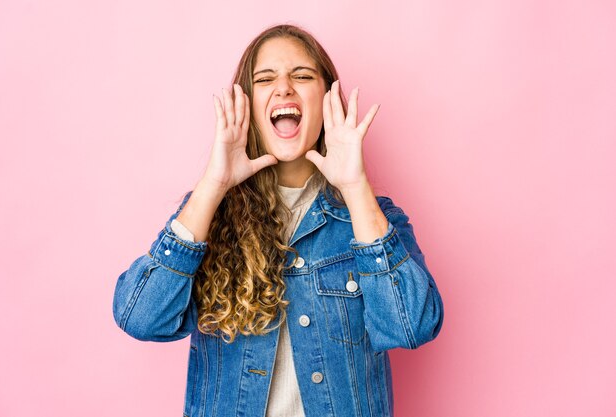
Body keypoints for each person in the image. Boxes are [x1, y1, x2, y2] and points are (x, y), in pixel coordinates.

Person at [113, 24, 443, 417]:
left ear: (327, 99)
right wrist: (213, 184)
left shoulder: (375, 217)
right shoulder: (206, 214)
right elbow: (141, 318)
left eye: (302, 76)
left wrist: (355, 187)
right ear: (247, 105)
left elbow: (412, 327)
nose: (284, 87)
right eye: (265, 79)